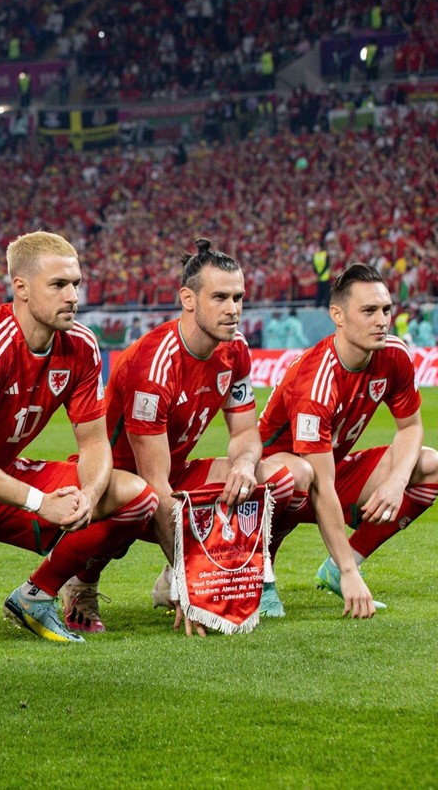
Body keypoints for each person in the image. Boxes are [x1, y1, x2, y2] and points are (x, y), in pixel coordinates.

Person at [0, 231, 158, 648]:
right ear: (20, 288)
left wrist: (90, 496)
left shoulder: (81, 344)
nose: (72, 296)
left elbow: (95, 443)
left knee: (136, 496)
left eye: (76, 283)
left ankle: (35, 597)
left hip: (4, 475)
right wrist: (42, 503)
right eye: (58, 285)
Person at [67, 240, 310, 632]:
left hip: (172, 476)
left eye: (238, 297)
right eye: (220, 298)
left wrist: (245, 464)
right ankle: (82, 581)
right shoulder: (154, 365)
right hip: (118, 485)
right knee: (140, 500)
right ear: (188, 299)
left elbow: (246, 430)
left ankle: (227, 579)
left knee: (283, 477)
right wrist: (191, 583)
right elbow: (155, 484)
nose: (233, 309)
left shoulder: (235, 349)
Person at [259, 263, 438, 617]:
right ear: (338, 316)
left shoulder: (394, 354)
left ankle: (338, 566)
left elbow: (410, 428)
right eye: (369, 311)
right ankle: (259, 577)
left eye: (386, 310)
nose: (382, 320)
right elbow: (320, 486)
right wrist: (351, 576)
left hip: (328, 470)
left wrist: (395, 481)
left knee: (430, 466)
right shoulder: (317, 379)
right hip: (276, 483)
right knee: (297, 474)